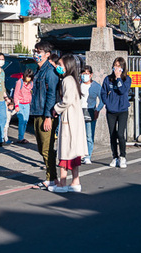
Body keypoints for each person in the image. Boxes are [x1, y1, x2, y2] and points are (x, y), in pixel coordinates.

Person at [53, 55, 88, 193]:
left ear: (67, 65)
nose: (58, 66)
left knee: (65, 152)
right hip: (75, 119)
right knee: (73, 153)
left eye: (60, 64)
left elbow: (66, 101)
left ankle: (62, 183)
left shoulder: (67, 80)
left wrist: (56, 108)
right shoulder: (73, 80)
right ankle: (75, 181)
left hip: (69, 119)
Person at [29, 42, 59, 189]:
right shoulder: (39, 70)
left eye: (39, 51)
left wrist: (48, 116)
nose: (36, 53)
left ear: (47, 54)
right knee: (42, 148)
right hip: (37, 112)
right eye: (35, 50)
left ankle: (51, 178)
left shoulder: (50, 71)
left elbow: (52, 94)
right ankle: (52, 176)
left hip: (45, 113)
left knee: (47, 148)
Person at [101, 56, 132, 168]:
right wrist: (107, 102)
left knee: (120, 133)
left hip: (122, 110)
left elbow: (123, 90)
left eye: (119, 66)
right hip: (111, 110)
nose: (116, 68)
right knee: (112, 134)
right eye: (115, 65)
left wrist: (118, 78)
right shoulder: (107, 79)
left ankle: (123, 156)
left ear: (123, 68)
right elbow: (103, 92)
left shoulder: (127, 79)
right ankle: (115, 157)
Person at [80, 64, 103, 164]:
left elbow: (102, 99)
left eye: (87, 73)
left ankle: (87, 155)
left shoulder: (96, 86)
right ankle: (79, 154)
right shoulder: (78, 85)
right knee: (80, 134)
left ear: (91, 74)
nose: (84, 75)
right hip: (79, 110)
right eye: (83, 73)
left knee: (89, 135)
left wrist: (97, 110)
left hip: (91, 110)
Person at [12, 69, 34, 144]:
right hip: (20, 103)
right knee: (21, 121)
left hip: (27, 104)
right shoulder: (20, 82)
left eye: (30, 77)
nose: (28, 78)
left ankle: (22, 136)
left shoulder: (31, 83)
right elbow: (16, 94)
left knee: (25, 120)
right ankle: (20, 137)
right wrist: (16, 105)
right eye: (27, 76)